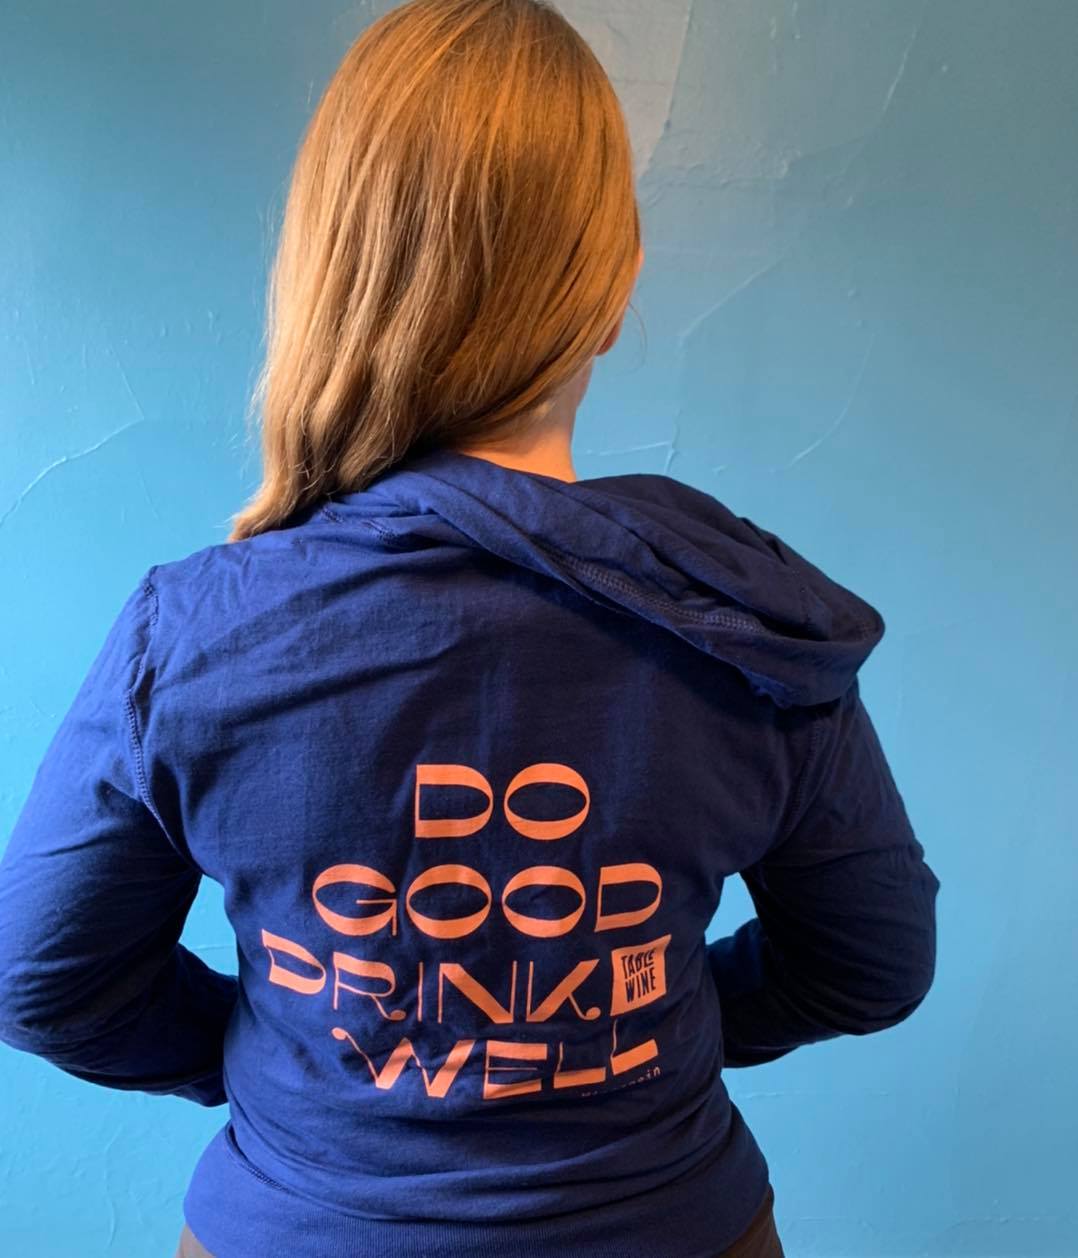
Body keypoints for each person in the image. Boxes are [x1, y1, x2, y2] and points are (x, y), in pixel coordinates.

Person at [0, 2, 940, 1256]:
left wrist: (270, 1054)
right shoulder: (740, 617)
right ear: (607, 295)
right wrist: (666, 1019)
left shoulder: (194, 634)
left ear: (326, 280)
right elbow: (873, 959)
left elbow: (43, 979)